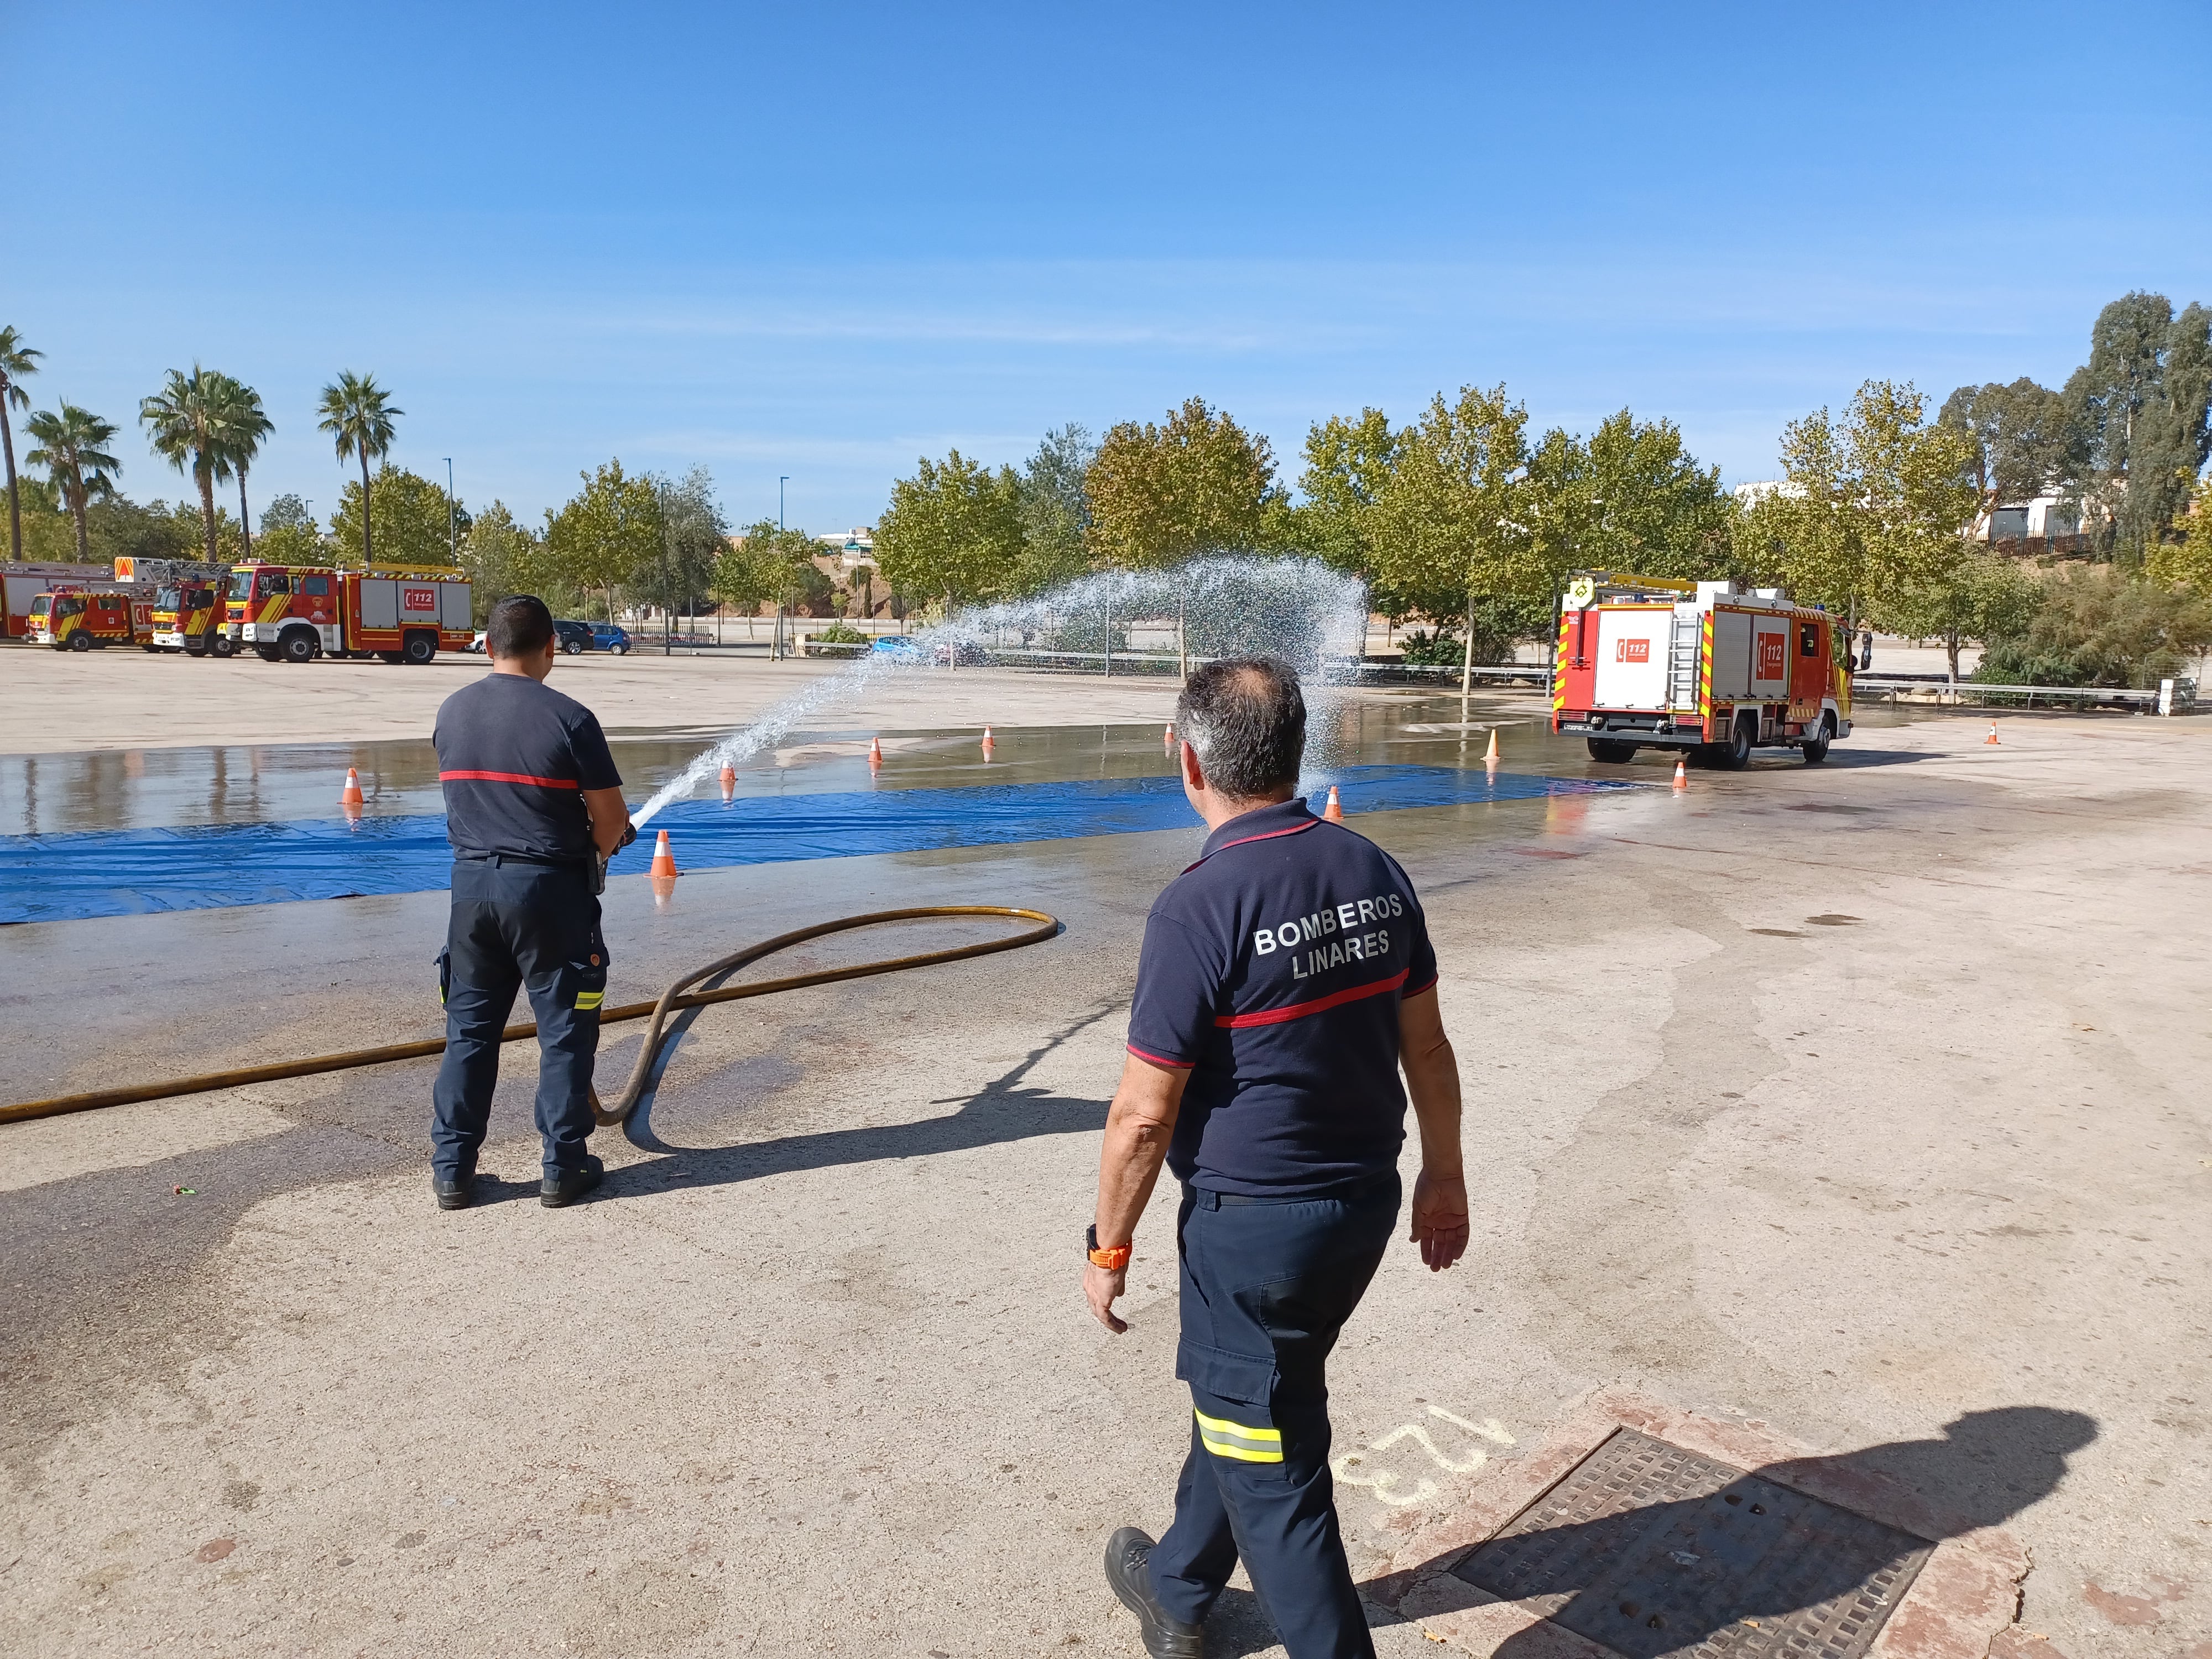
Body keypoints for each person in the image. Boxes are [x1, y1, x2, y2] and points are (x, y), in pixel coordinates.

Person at [1085, 657, 1469, 1659]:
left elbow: (1140, 1117)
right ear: (1296, 750)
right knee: (1258, 1392)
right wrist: (1445, 1172)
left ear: (1188, 763)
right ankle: (1176, 1587)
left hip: (1255, 1237)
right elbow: (1425, 1046)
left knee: (1278, 1476)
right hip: (1360, 1211)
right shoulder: (1371, 868)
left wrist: (1108, 1248)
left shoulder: (1199, 904)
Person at [429, 594, 632, 1211]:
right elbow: (611, 820)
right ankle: (562, 1166)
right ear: (550, 649)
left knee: (468, 1033)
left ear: (488, 647)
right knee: (565, 1032)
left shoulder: (451, 711)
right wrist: (602, 847)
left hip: (471, 892)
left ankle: (452, 1172)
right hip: (547, 893)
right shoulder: (571, 719)